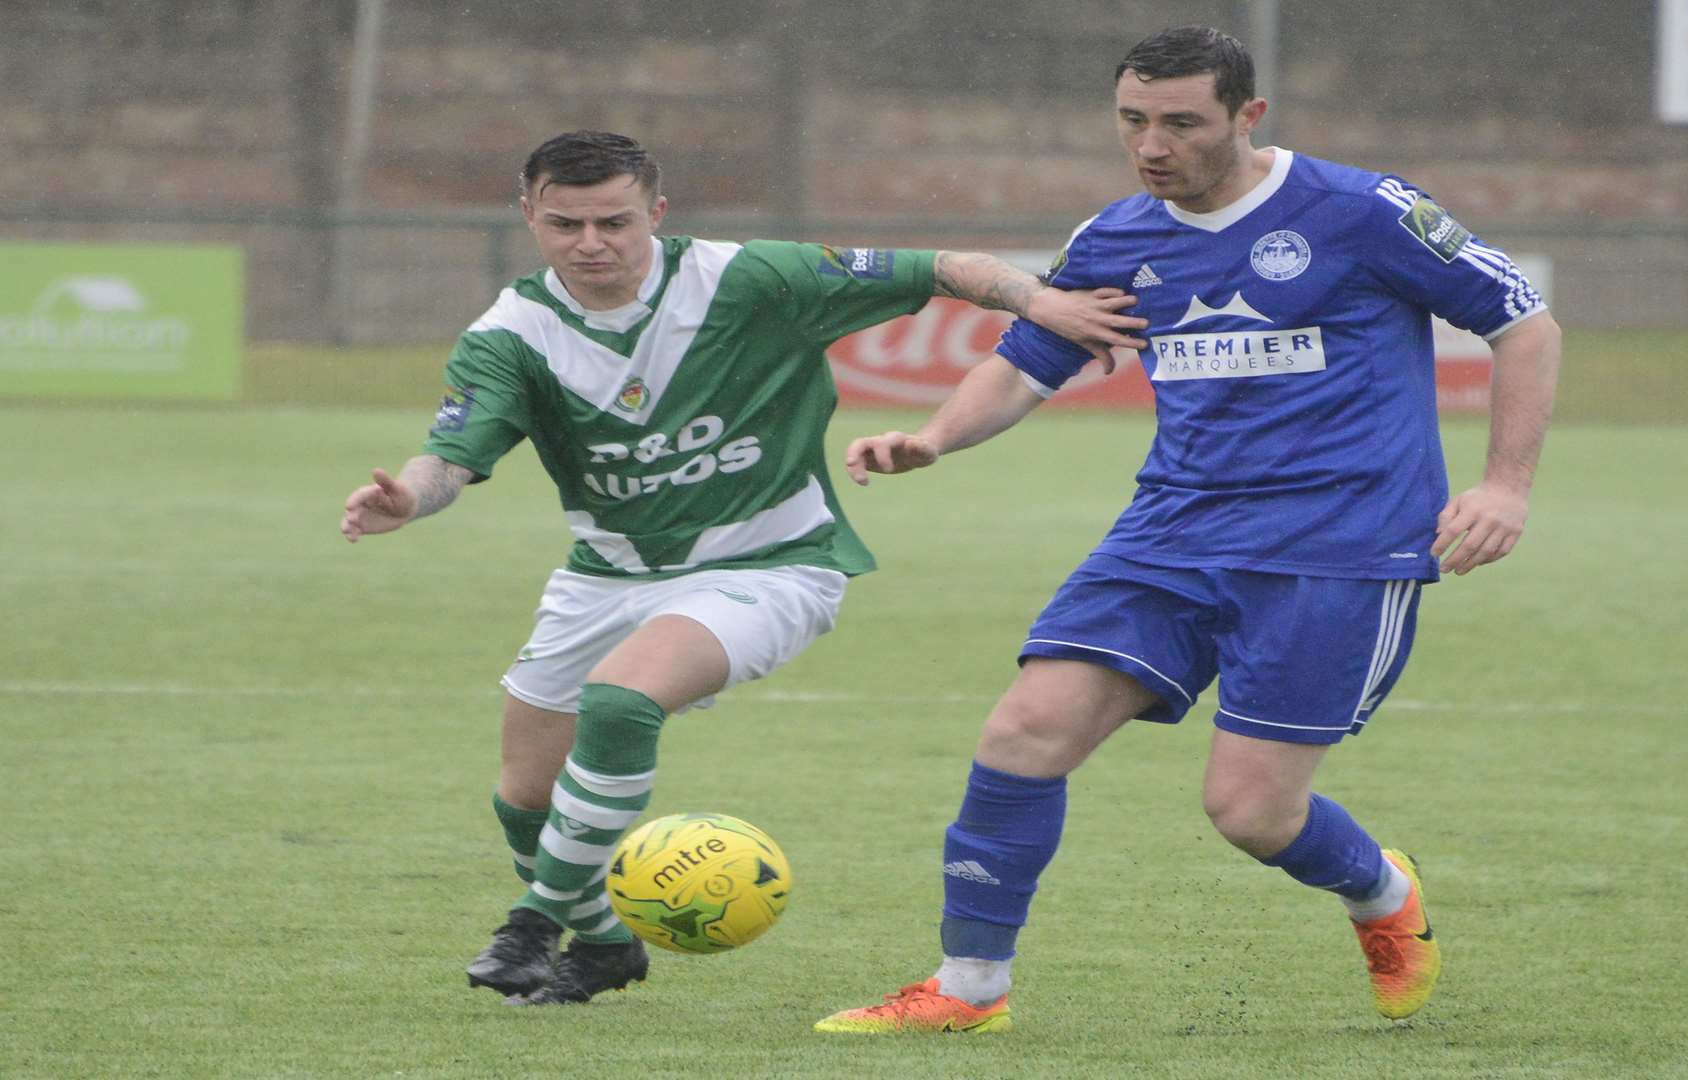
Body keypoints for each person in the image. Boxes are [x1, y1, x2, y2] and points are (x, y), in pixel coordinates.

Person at [814, 25, 1561, 1033]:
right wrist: (936, 437)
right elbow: (1031, 357)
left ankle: (1381, 893)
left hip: (1338, 546)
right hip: (1169, 535)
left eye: (1181, 123)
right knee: (1022, 733)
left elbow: (1523, 320)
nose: (1153, 145)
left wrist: (1505, 486)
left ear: (1248, 116)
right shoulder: (1119, 235)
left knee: (1250, 813)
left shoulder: (1359, 211)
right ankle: (968, 989)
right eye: (1133, 121)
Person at [339, 130, 1148, 1006]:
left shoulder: (749, 279)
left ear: (655, 211)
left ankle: (531, 925)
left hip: (772, 563)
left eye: (614, 221)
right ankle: (607, 946)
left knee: (620, 701)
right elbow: (449, 455)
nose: (591, 243)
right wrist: (410, 500)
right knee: (524, 801)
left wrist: (1040, 303)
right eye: (565, 223)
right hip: (604, 575)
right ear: (528, 215)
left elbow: (943, 266)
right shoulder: (511, 334)